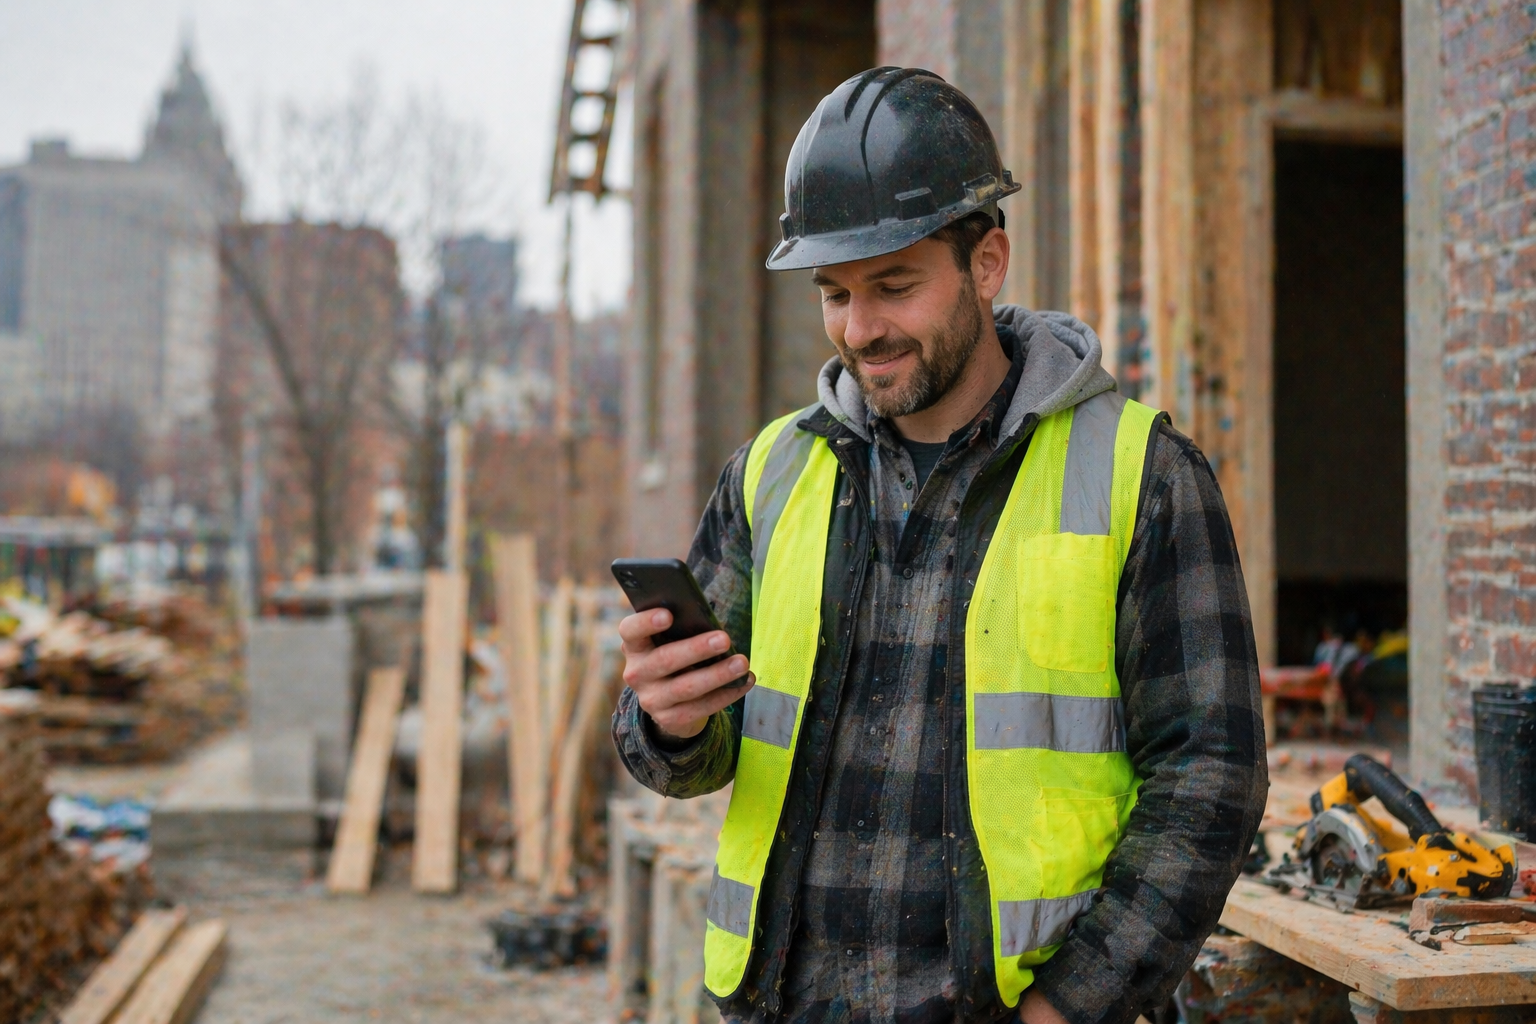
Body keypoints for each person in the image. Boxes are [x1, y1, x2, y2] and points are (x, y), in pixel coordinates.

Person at [613, 66, 1266, 1024]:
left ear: (987, 263)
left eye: (895, 285)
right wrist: (664, 720)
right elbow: (692, 756)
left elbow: (1212, 778)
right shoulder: (772, 473)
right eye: (834, 293)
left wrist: (1068, 1007)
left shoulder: (1142, 474)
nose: (860, 329)